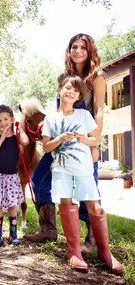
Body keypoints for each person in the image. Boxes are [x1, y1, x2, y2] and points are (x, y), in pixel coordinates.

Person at [25, 33, 105, 252]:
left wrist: (94, 142)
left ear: (90, 51)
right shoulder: (65, 77)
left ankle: (93, 239)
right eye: (74, 47)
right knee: (39, 179)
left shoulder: (96, 76)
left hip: (82, 138)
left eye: (83, 47)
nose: (78, 51)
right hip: (60, 137)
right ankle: (49, 228)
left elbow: (98, 110)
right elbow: (60, 110)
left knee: (89, 188)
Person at [42, 74, 123, 273]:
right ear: (59, 89)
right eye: (67, 87)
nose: (71, 91)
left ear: (79, 96)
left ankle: (105, 251)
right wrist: (60, 138)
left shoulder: (84, 116)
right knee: (67, 205)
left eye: (76, 90)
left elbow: (95, 141)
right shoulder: (50, 118)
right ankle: (74, 251)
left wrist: (84, 139)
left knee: (94, 207)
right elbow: (45, 147)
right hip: (61, 170)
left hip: (84, 169)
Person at [0, 105, 29, 246]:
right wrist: (2, 139)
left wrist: (19, 127)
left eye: (6, 119)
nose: (3, 122)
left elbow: (25, 142)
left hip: (11, 177)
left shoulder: (17, 138)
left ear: (12, 120)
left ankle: (13, 234)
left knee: (12, 206)